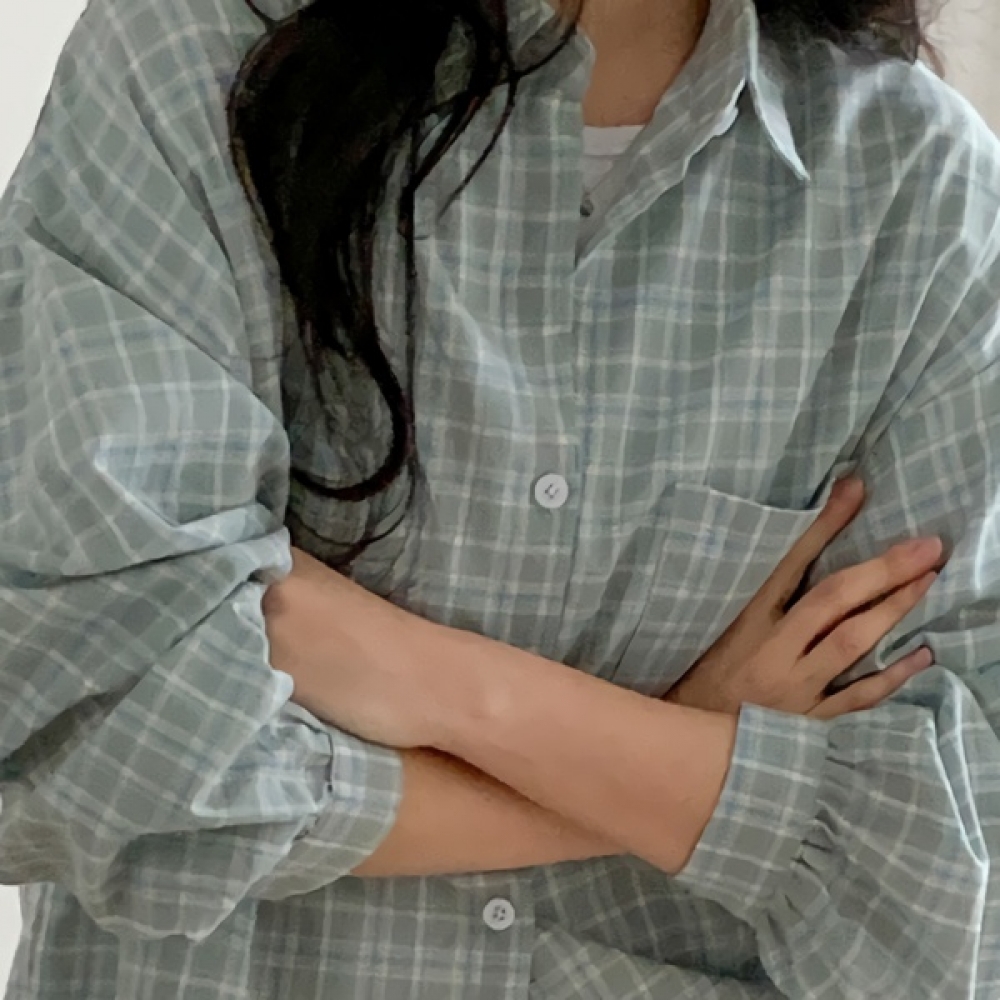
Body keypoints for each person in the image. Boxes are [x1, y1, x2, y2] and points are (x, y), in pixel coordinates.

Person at [1, 0, 998, 995]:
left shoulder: (925, 192)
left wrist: (443, 685)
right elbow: (87, 738)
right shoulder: (186, 64)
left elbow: (956, 896)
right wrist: (675, 758)